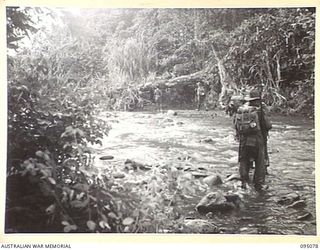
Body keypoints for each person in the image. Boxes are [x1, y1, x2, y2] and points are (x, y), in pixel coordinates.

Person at [234, 88, 272, 191]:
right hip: (257, 140)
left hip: (243, 140)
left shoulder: (241, 109)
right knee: (259, 161)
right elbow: (268, 125)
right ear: (257, 99)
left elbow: (236, 126)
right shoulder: (260, 109)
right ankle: (258, 185)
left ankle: (243, 182)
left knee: (243, 160)